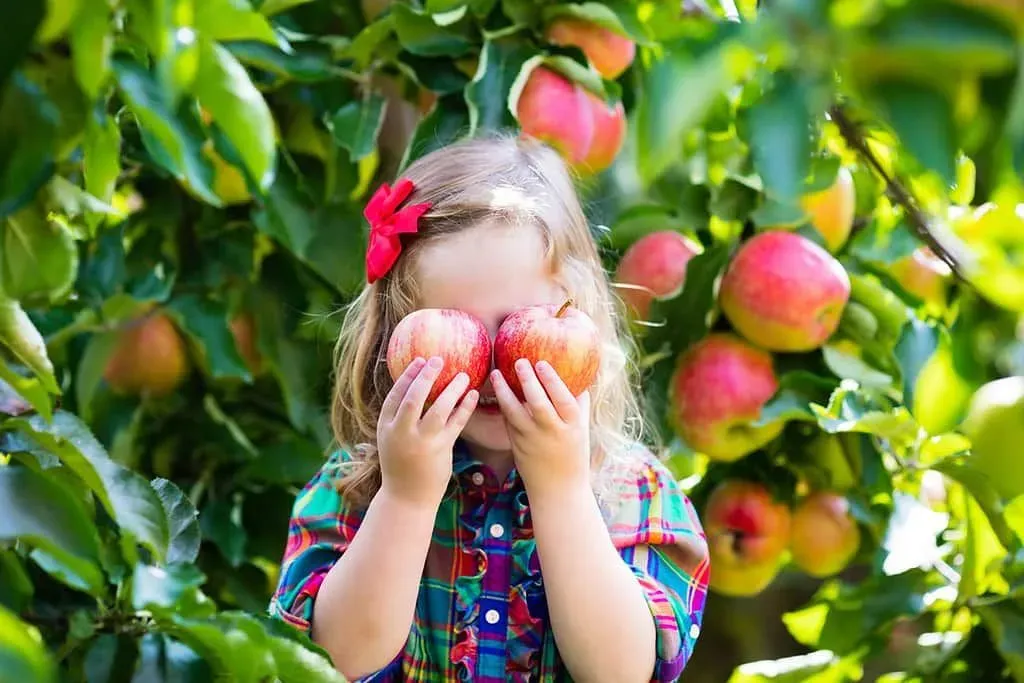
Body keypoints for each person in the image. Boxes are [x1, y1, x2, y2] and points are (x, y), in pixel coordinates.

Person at [269, 134, 710, 682]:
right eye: (460, 330)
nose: (495, 369)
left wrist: (562, 492)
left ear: (579, 320)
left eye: (520, 325)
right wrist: (406, 499)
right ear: (392, 339)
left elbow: (621, 674)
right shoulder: (358, 486)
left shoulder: (630, 492)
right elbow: (333, 663)